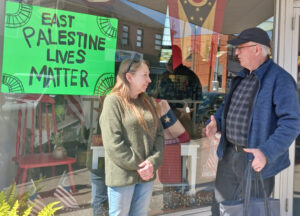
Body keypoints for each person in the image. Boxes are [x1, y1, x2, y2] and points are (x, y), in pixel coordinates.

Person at [203, 27, 300, 215]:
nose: (236, 52)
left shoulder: (281, 79)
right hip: (229, 154)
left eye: (240, 48)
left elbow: (291, 123)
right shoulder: (241, 77)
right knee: (221, 209)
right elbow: (228, 108)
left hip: (255, 159)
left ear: (257, 49)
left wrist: (266, 152)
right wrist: (216, 122)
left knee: (252, 211)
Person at [99, 57, 165, 216]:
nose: (149, 80)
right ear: (129, 77)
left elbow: (160, 135)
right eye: (145, 75)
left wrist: (152, 163)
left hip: (146, 177)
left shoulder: (147, 101)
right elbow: (113, 144)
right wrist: (141, 166)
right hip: (123, 178)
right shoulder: (113, 101)